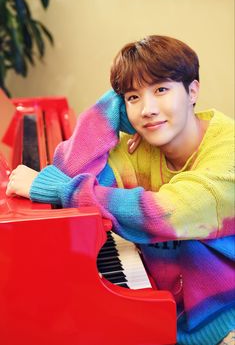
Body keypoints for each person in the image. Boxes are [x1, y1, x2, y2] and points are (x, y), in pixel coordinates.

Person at [6, 35, 234, 345]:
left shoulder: (228, 159)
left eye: (161, 90)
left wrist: (61, 189)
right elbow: (67, 174)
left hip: (224, 320)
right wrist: (110, 108)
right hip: (175, 311)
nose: (148, 109)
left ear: (193, 90)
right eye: (133, 97)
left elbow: (164, 213)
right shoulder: (143, 145)